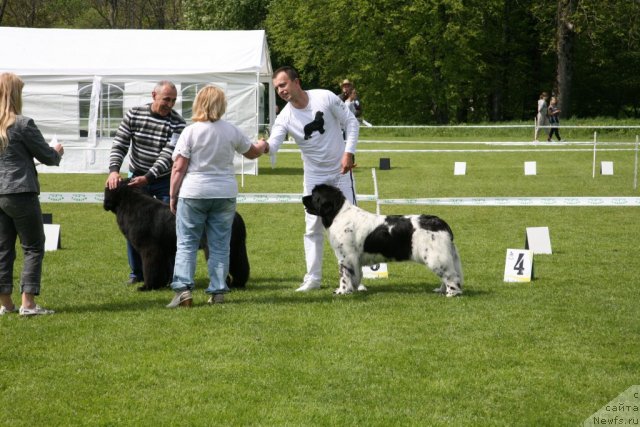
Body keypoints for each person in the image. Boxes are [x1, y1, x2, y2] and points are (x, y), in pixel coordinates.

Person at [166, 85, 267, 308]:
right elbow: (252, 153)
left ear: (198, 104)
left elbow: (178, 167)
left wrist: (172, 195)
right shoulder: (231, 130)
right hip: (224, 193)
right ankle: (218, 291)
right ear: (222, 105)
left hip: (193, 192)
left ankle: (183, 291)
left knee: (187, 244)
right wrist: (261, 145)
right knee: (220, 245)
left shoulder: (190, 131)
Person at [266, 66, 360, 292]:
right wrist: (259, 146)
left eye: (283, 84)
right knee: (312, 228)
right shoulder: (285, 116)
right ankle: (313, 279)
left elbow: (351, 123)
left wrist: (349, 152)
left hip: (340, 172)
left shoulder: (325, 97)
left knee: (349, 226)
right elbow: (273, 144)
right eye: (277, 87)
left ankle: (354, 279)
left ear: (296, 82)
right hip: (313, 176)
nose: (280, 90)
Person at [106, 81, 186, 285]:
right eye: (166, 99)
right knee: (135, 228)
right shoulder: (133, 114)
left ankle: (169, 276)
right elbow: (120, 143)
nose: (170, 104)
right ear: (154, 95)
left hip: (163, 179)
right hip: (136, 179)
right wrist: (114, 170)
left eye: (173, 100)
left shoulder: (178, 123)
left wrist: (149, 176)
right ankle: (137, 274)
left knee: (169, 230)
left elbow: (168, 155)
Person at [0, 72, 64, 316]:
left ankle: (5, 303)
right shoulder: (23, 124)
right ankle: (28, 303)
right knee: (34, 246)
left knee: (3, 248)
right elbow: (48, 157)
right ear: (15, 94)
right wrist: (56, 150)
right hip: (20, 192)